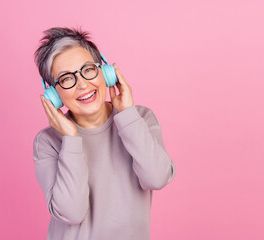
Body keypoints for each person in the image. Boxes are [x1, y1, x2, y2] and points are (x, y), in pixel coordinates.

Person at [33, 27, 176, 240]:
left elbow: (157, 178)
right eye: (66, 79)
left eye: (88, 69)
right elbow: (71, 213)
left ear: (105, 72)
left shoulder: (140, 118)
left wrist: (127, 115)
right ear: (54, 94)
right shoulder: (48, 142)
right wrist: (71, 139)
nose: (82, 84)